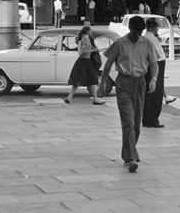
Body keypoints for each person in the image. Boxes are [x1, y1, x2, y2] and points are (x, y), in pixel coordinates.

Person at [99, 15, 158, 173]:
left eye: (141, 32)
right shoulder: (119, 43)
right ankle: (131, 157)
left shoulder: (147, 43)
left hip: (140, 83)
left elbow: (154, 63)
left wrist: (153, 79)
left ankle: (127, 154)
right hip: (123, 83)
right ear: (129, 28)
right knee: (128, 121)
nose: (138, 34)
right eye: (136, 31)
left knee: (136, 124)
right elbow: (108, 63)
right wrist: (102, 84)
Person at [64, 26, 105, 105]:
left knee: (77, 80)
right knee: (93, 79)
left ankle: (69, 97)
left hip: (82, 60)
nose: (92, 32)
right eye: (91, 31)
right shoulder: (86, 38)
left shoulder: (81, 37)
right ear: (87, 31)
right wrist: (94, 50)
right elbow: (83, 51)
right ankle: (95, 99)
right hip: (86, 60)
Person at [142, 18, 166, 128]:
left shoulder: (149, 38)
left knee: (150, 94)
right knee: (155, 95)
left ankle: (147, 119)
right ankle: (152, 119)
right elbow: (155, 57)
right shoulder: (150, 38)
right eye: (156, 27)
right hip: (156, 66)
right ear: (152, 27)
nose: (158, 29)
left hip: (154, 66)